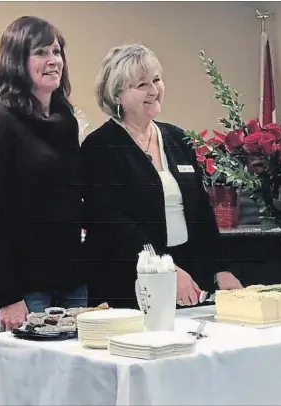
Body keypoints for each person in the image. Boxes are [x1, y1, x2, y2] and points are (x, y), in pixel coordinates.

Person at [81, 44, 242, 309]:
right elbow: (114, 223)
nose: (154, 91)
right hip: (130, 282)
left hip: (189, 278)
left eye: (156, 80)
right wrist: (164, 269)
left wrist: (220, 268)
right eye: (142, 84)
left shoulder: (177, 138)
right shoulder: (100, 147)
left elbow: (201, 211)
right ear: (117, 95)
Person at [0, 16, 87, 334]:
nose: (54, 60)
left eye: (57, 51)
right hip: (22, 291)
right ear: (16, 61)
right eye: (41, 52)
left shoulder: (66, 119)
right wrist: (8, 296)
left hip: (69, 282)